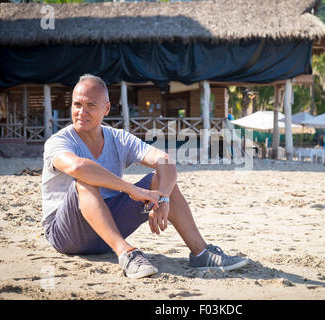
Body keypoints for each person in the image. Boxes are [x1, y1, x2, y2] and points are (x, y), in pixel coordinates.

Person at [41, 74, 248, 279]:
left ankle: (201, 253)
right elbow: (78, 166)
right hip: (66, 233)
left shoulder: (118, 138)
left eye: (90, 105)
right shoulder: (59, 141)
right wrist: (130, 188)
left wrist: (164, 197)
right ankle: (126, 254)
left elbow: (165, 160)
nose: (81, 112)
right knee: (85, 179)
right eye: (77, 104)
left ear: (106, 108)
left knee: (160, 179)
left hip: (108, 228)